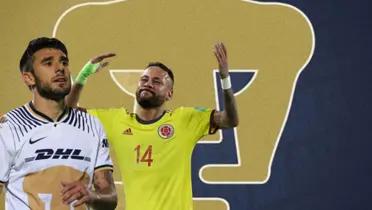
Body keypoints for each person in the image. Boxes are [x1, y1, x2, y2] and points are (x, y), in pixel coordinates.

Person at [66, 42, 238, 210]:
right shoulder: (116, 120)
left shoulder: (185, 120)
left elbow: (230, 120)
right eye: (144, 79)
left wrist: (225, 80)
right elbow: (69, 113)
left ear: (169, 94)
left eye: (157, 81)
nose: (148, 83)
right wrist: (83, 76)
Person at [0, 37, 117, 210]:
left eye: (64, 62)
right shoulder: (9, 127)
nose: (60, 68)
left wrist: (91, 196)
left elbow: (110, 198)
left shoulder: (92, 125)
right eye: (48, 63)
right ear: (29, 78)